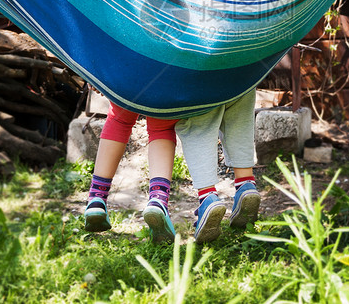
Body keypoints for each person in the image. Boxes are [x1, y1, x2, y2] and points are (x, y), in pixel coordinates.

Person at [83, 100, 178, 243]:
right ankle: (158, 201)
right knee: (162, 125)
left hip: (127, 79)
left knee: (119, 118)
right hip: (164, 79)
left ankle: (96, 200)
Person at [174, 88, 260, 243]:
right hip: (244, 70)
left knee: (199, 126)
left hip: (201, 75)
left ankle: (208, 198)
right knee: (240, 119)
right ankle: (246, 185)